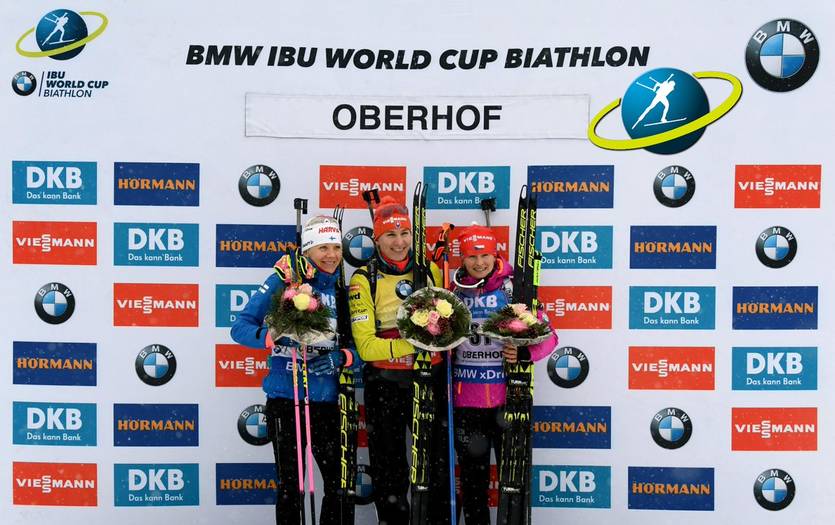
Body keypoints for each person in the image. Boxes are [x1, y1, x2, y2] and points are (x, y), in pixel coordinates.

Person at [232, 215, 358, 525]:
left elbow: (361, 348)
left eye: (336, 247)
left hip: (329, 402)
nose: (331, 255)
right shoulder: (285, 281)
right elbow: (240, 328)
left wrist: (342, 358)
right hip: (287, 399)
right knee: (290, 487)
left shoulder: (342, 291)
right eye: (322, 248)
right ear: (307, 250)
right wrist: (273, 336)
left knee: (339, 486)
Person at [348, 196, 451, 525]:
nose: (399, 242)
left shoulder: (429, 270)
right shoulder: (364, 279)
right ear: (377, 239)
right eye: (390, 235)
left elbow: (447, 325)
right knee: (389, 469)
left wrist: (437, 337)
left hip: (428, 378)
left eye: (404, 233)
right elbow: (366, 347)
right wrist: (413, 342)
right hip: (385, 384)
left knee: (435, 465)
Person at [449, 224, 558, 525]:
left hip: (507, 401)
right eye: (472, 256)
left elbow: (549, 336)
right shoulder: (453, 292)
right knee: (473, 486)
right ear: (462, 259)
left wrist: (524, 354)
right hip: (467, 404)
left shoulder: (513, 290)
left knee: (513, 483)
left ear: (495, 254)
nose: (479, 262)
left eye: (485, 255)